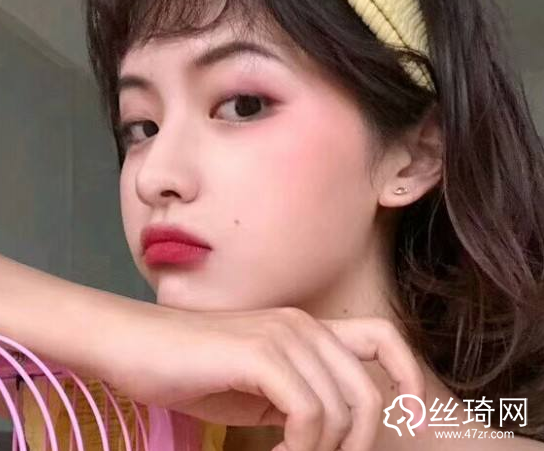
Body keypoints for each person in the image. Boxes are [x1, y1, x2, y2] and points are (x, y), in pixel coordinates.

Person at [1, 0, 544, 450]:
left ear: (415, 157)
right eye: (142, 127)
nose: (154, 177)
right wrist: (117, 332)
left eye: (243, 105)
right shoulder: (88, 425)